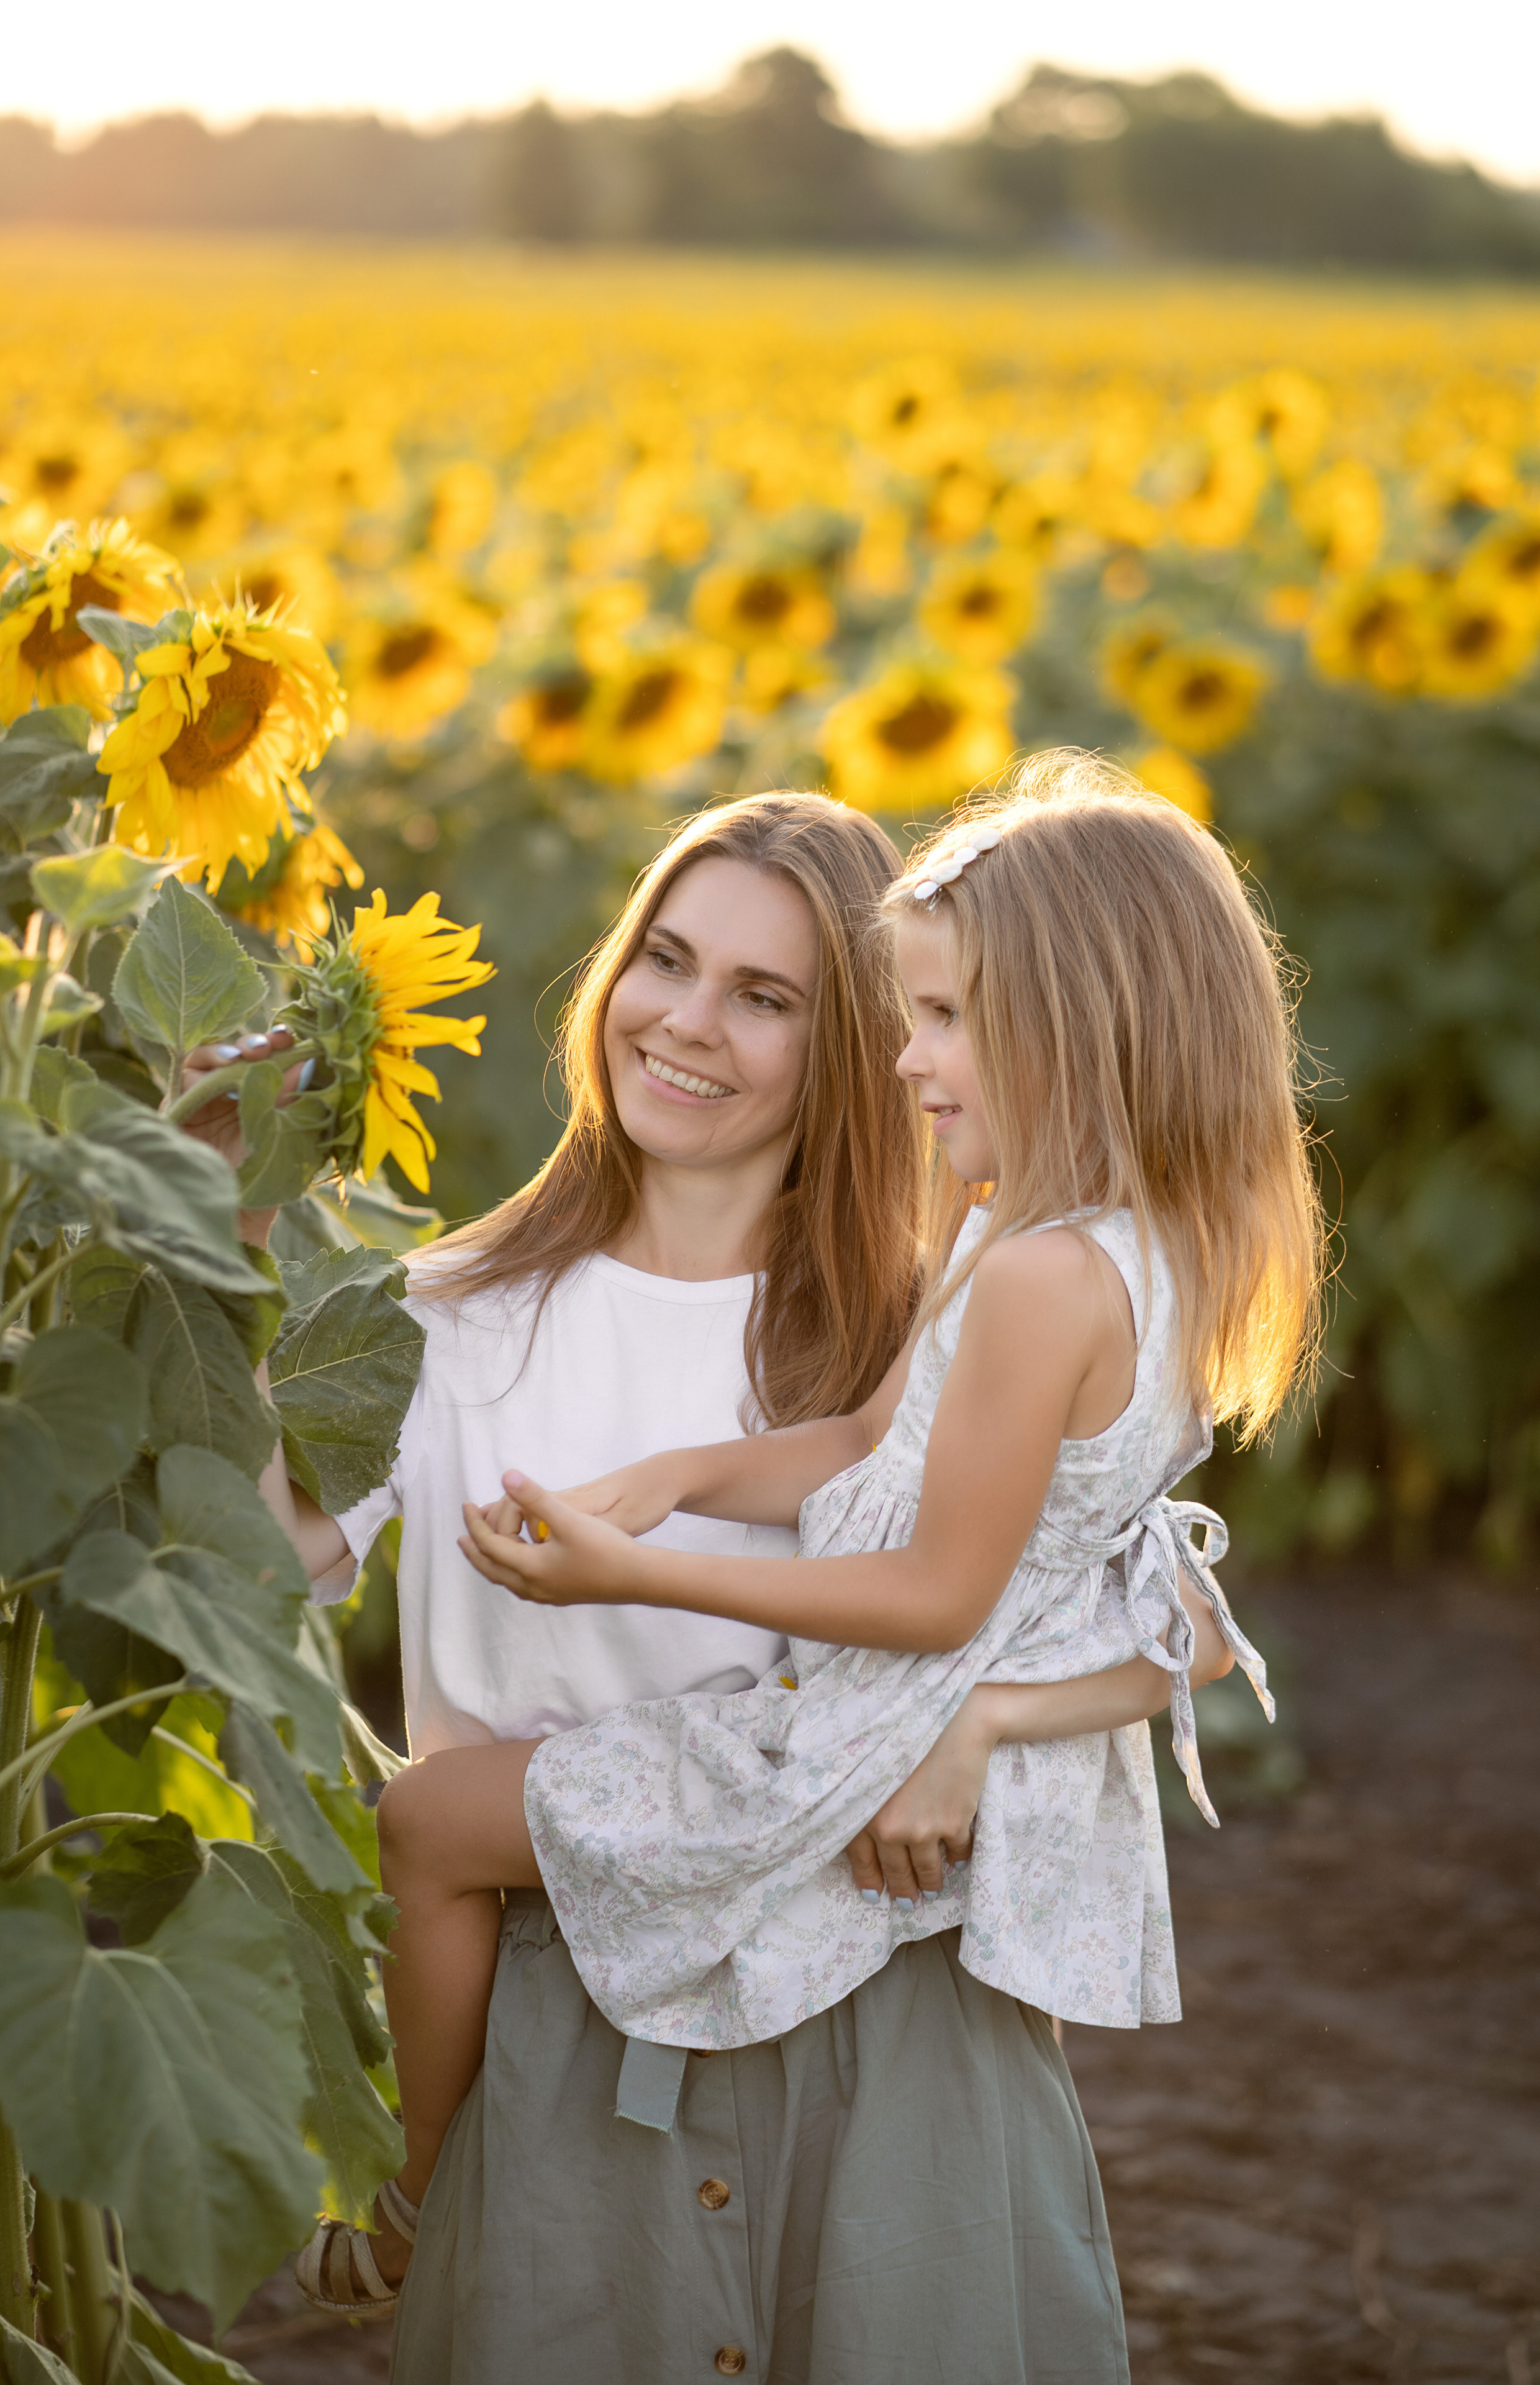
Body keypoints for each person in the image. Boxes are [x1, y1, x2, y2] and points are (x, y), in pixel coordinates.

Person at [187, 785, 1233, 2381]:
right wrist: (228, 1232)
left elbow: (1148, 1608)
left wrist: (972, 1735)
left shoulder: (942, 1317)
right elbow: (238, 1570)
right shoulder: (439, 1315)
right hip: (552, 2036)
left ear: (861, 1042)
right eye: (663, 960)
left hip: (887, 2028)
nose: (683, 1022)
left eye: (764, 997)